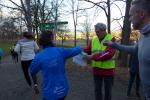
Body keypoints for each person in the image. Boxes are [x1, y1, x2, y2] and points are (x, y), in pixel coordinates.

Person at [103, 0, 150, 99]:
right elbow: (134, 49)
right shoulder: (143, 34)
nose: (129, 19)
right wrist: (115, 45)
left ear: (142, 14)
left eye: (131, 15)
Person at [29, 30, 82, 100]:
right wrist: (79, 47)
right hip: (63, 90)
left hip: (49, 93)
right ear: (51, 39)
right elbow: (77, 50)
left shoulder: (38, 57)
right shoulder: (61, 51)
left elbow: (32, 71)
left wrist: (35, 84)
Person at [83, 23, 116, 100]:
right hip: (96, 69)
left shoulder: (111, 39)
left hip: (108, 70)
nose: (96, 33)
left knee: (108, 91)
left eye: (98, 31)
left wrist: (92, 57)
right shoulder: (94, 39)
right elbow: (87, 49)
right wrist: (78, 51)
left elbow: (108, 54)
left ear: (104, 30)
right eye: (95, 31)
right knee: (97, 90)